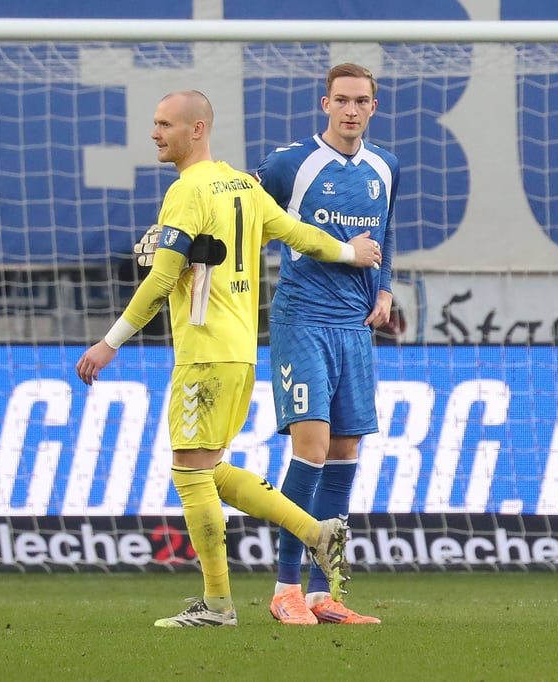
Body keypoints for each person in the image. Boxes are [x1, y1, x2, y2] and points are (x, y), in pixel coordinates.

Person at [76, 89, 382, 628]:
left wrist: (110, 342)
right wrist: (347, 251)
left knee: (190, 472)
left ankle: (219, 604)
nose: (155, 133)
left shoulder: (188, 190)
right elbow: (298, 234)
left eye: (165, 123)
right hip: (241, 354)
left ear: (197, 129)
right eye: (155, 122)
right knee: (208, 467)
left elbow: (163, 277)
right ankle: (315, 532)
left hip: (203, 354)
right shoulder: (243, 183)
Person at [254, 63, 400, 625]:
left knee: (344, 457)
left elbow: (387, 231)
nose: (351, 110)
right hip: (303, 321)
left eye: (361, 101)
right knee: (310, 450)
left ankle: (322, 592)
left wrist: (384, 287)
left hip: (354, 329)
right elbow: (244, 212)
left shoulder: (385, 166)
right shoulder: (290, 164)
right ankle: (284, 587)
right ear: (325, 104)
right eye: (341, 100)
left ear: (374, 107)